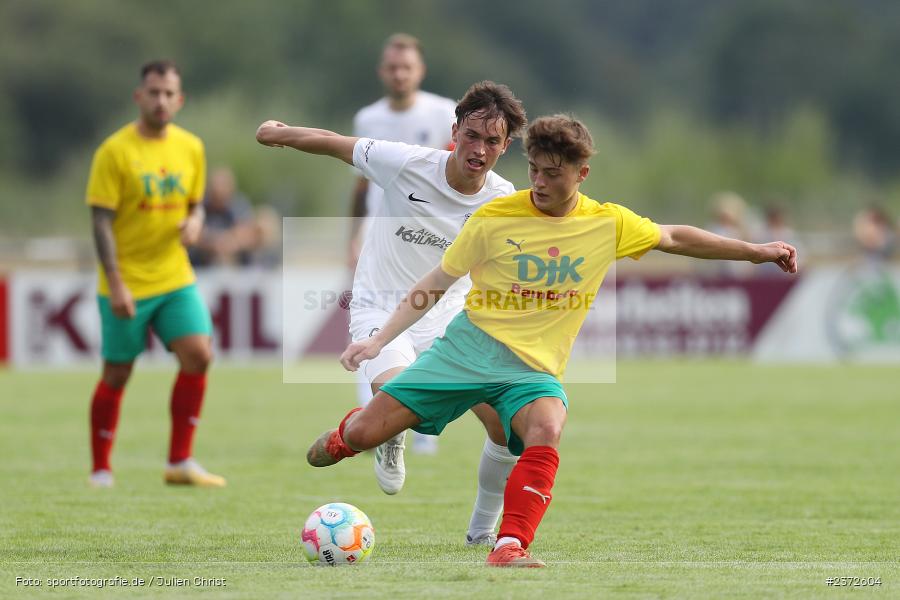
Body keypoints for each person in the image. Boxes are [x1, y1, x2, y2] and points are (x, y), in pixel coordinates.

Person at [308, 115, 799, 567]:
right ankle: (346, 434)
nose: (540, 183)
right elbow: (433, 285)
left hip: (531, 371)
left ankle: (509, 545)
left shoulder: (607, 223)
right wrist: (378, 343)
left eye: (553, 174)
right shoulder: (495, 217)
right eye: (535, 171)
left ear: (581, 174)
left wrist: (756, 251)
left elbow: (677, 238)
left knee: (548, 425)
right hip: (467, 349)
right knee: (362, 436)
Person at [256, 80, 528, 546]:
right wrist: (279, 134)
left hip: (452, 322)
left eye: (491, 141)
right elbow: (333, 144)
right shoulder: (406, 163)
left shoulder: (504, 201)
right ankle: (388, 433)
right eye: (472, 135)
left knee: (505, 428)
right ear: (455, 129)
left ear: (505, 146)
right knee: (410, 404)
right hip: (381, 310)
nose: (478, 148)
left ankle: (483, 529)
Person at [85, 60, 224, 488]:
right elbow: (100, 221)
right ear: (139, 97)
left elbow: (195, 204)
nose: (161, 100)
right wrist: (117, 283)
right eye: (153, 92)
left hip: (173, 277)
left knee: (199, 355)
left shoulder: (191, 147)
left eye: (169, 94)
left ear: (179, 100)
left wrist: (197, 221)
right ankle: (101, 468)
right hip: (125, 282)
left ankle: (180, 462)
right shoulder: (115, 151)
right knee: (117, 373)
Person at [348, 33, 457, 454]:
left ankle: (418, 427)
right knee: (373, 323)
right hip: (381, 244)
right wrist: (352, 236)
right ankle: (379, 429)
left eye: (406, 67)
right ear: (382, 72)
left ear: (420, 71)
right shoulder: (367, 119)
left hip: (430, 243)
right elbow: (360, 188)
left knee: (431, 325)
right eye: (392, 67)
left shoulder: (444, 112)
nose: (399, 74)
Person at [189, 166, 263, 267]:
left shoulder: (239, 205)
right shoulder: (201, 205)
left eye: (223, 186)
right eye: (216, 188)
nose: (220, 190)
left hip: (238, 266)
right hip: (202, 265)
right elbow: (194, 232)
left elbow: (247, 232)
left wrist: (229, 242)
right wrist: (215, 243)